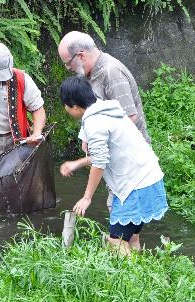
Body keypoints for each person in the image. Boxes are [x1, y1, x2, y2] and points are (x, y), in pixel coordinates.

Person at [59, 76, 168, 255]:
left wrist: (87, 198)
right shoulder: (107, 109)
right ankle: (142, 271)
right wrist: (77, 163)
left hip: (136, 186)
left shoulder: (94, 122)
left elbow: (100, 162)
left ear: (74, 106)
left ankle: (134, 281)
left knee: (115, 242)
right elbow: (106, 154)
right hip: (150, 178)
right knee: (130, 238)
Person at [58, 31, 150, 211]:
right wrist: (86, 136)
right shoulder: (92, 73)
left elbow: (129, 118)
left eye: (67, 63)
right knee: (125, 226)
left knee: (118, 217)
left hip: (129, 163)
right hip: (117, 160)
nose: (67, 68)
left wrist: (97, 149)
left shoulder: (110, 72)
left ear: (81, 56)